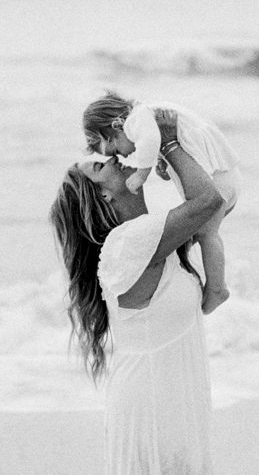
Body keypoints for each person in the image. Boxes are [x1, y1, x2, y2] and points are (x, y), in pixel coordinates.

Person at [49, 108, 231, 475]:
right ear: (103, 200)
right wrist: (170, 140)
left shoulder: (149, 238)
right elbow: (209, 202)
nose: (115, 158)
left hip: (155, 388)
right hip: (152, 398)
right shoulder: (131, 243)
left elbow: (206, 225)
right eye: (101, 166)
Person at [82, 93, 239, 314]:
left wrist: (142, 173)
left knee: (207, 235)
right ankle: (216, 287)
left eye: (115, 150)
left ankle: (217, 288)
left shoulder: (137, 120)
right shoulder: (146, 118)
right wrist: (166, 162)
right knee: (207, 234)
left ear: (115, 127)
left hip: (217, 180)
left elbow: (151, 141)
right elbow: (169, 144)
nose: (120, 157)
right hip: (224, 178)